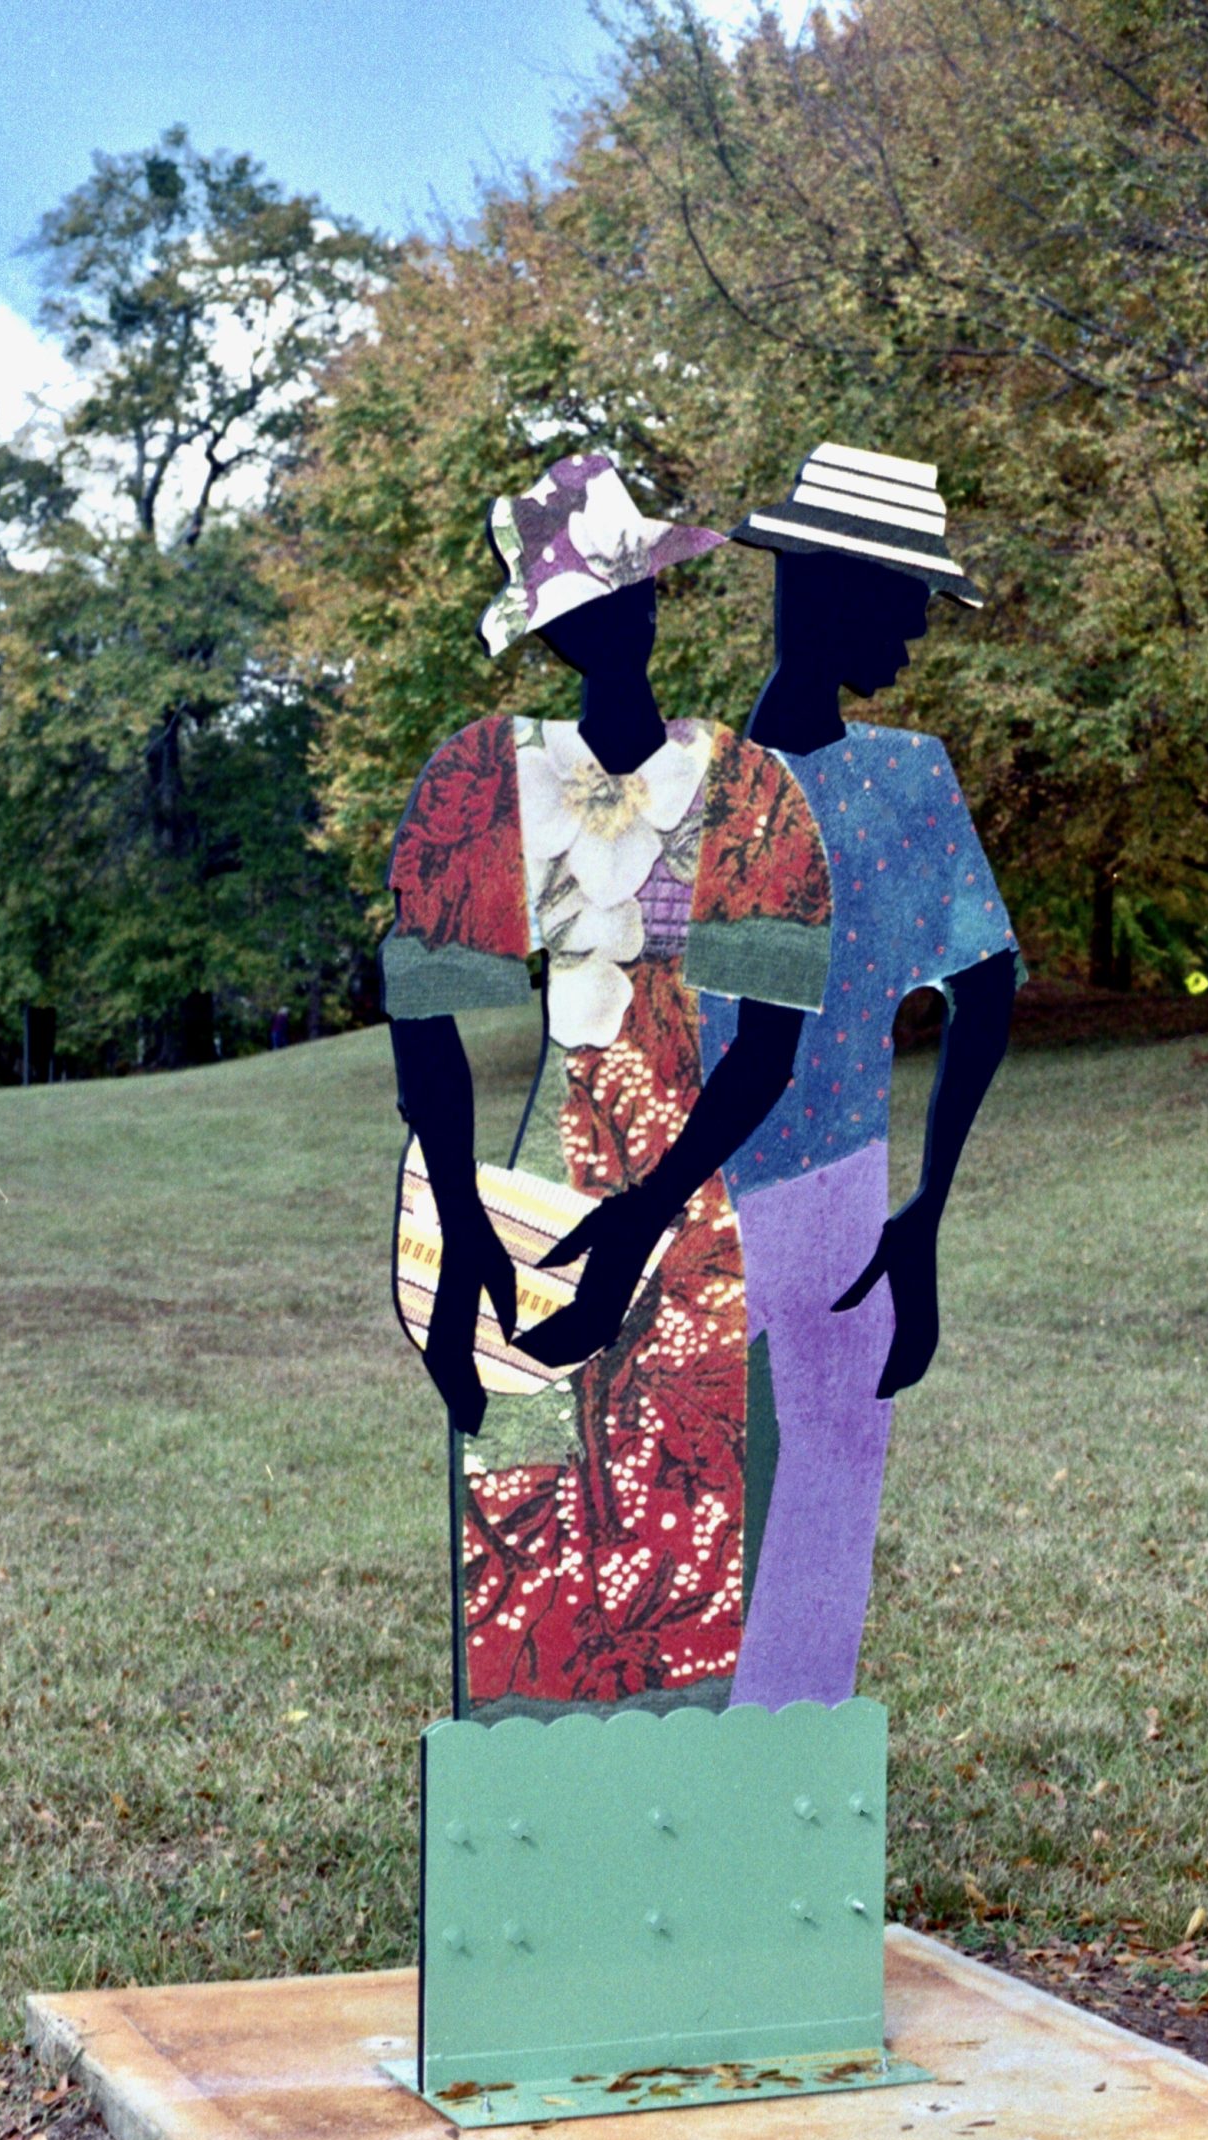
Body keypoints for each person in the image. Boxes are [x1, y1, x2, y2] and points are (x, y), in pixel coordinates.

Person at [383, 453, 833, 1720]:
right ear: (555, 635)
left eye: (627, 591)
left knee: (681, 1522)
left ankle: (685, 1804)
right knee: (527, 1510)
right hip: (538, 1201)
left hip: (688, 1199)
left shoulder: (744, 786)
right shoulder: (485, 778)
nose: (614, 620)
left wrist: (645, 1215)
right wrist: (463, 1229)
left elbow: (768, 1048)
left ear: (654, 600)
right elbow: (425, 1017)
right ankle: (530, 1805)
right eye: (584, 605)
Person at [702, 441, 1021, 1709]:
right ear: (821, 588)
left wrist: (926, 1209)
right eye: (901, 599)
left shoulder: (904, 778)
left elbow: (989, 984)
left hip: (835, 1197)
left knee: (826, 1495)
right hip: (695, 1199)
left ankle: (786, 1783)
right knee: (677, 1518)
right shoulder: (696, 786)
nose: (917, 631)